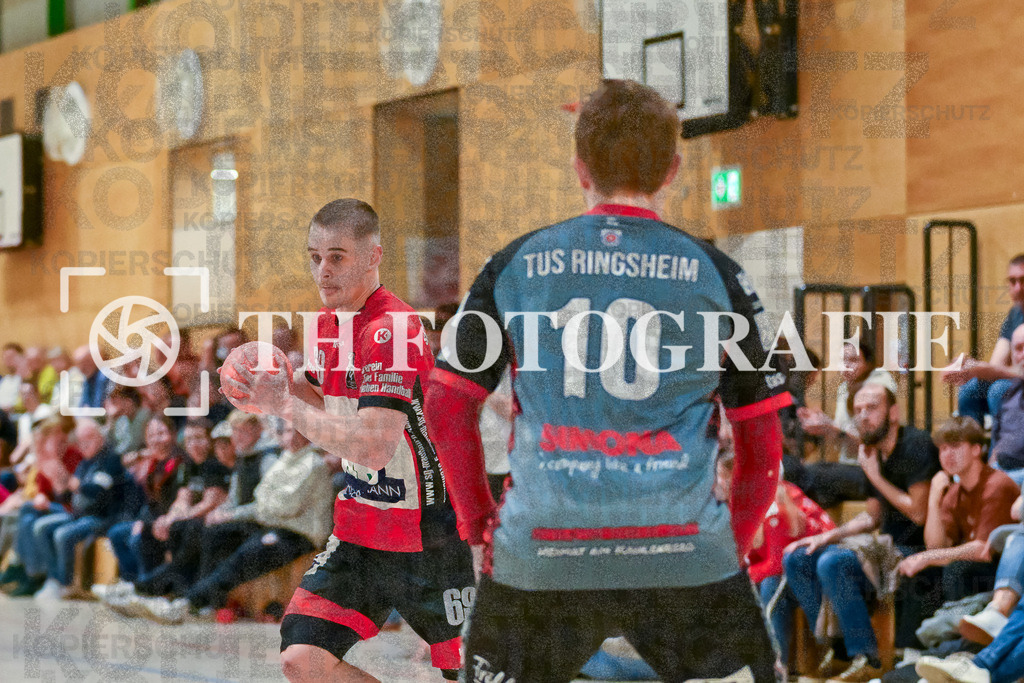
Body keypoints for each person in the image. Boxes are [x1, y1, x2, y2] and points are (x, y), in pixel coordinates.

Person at [423, 79, 790, 682]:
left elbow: (444, 404)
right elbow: (763, 441)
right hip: (682, 550)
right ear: (672, 170)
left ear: (579, 168)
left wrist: (477, 520)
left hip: (542, 545)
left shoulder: (514, 264)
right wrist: (730, 542)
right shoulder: (718, 273)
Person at [219, 198, 474, 683]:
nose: (323, 270)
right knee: (302, 659)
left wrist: (283, 405)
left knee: (470, 673)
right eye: (315, 257)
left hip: (430, 533)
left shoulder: (392, 329)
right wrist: (265, 380)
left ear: (374, 256)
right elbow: (321, 393)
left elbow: (373, 447)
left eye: (337, 257)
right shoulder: (328, 324)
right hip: (361, 528)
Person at [783, 383, 941, 681]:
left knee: (834, 562)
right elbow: (872, 517)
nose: (863, 416)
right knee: (799, 558)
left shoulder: (915, 445)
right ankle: (839, 651)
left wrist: (874, 476)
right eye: (857, 410)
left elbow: (918, 513)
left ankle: (867, 658)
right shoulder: (872, 451)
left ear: (893, 413)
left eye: (872, 408)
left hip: (916, 549)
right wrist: (825, 537)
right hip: (882, 549)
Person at [137, 422, 334, 623]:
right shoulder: (285, 459)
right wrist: (264, 507)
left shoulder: (312, 463)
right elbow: (262, 495)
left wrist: (262, 507)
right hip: (275, 525)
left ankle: (190, 602)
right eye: (287, 431)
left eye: (297, 431)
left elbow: (284, 506)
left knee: (243, 557)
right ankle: (194, 600)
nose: (291, 436)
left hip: (300, 534)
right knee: (213, 535)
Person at [896, 417, 1018, 604]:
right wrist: (934, 499)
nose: (948, 455)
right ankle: (926, 625)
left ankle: (960, 623)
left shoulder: (996, 485)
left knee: (957, 569)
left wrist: (926, 557)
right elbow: (936, 547)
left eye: (955, 446)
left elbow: (982, 550)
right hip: (976, 568)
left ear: (976, 449)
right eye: (943, 449)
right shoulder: (954, 492)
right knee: (918, 573)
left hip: (1007, 574)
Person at [799, 341, 899, 508]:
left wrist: (834, 429)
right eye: (843, 360)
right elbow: (843, 435)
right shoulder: (844, 388)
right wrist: (823, 425)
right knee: (811, 480)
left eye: (853, 360)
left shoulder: (878, 383)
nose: (846, 366)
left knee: (808, 474)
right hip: (850, 465)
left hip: (876, 469)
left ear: (868, 363)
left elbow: (873, 439)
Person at [944, 254, 1024, 429]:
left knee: (1000, 390)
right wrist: (970, 366)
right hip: (1017, 383)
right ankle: (972, 444)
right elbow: (996, 365)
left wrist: (983, 369)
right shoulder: (1015, 314)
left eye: (1023, 281)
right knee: (970, 389)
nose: (1018, 288)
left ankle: (1001, 447)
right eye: (1012, 281)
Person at [986, 324, 1024, 487]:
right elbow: (998, 445)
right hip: (1002, 470)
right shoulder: (1009, 392)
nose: (1023, 355)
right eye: (1018, 349)